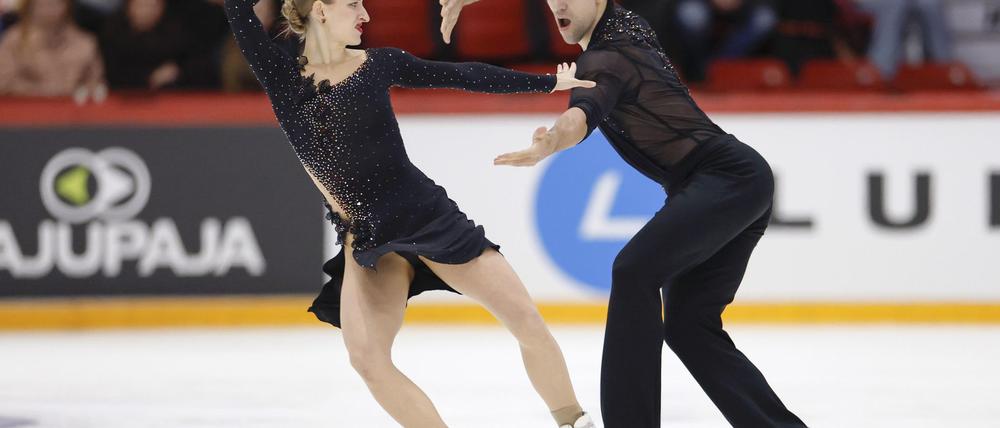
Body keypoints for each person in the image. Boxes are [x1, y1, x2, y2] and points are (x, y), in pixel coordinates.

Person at [223, 0, 597, 427]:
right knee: (367, 359)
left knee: (526, 322)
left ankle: (574, 421)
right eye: (353, 5)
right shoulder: (283, 78)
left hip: (427, 218)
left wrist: (548, 84)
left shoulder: (378, 65)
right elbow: (239, 12)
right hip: (367, 241)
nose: (365, 14)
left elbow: (462, 75)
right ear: (321, 11)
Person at [443, 0, 807, 426]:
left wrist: (551, 144)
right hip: (733, 179)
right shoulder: (624, 22)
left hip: (724, 179)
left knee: (633, 271)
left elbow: (580, 115)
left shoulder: (605, 58)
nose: (557, 4)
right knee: (689, 327)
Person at [0, 0, 106, 100]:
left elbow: (96, 82)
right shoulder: (13, 40)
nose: (49, 8)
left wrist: (87, 90)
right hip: (26, 111)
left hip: (72, 112)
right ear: (30, 6)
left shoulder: (85, 43)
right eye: (42, 3)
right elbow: (3, 83)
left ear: (67, 6)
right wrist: (42, 90)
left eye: (56, 2)